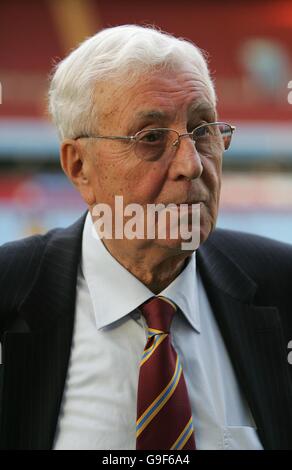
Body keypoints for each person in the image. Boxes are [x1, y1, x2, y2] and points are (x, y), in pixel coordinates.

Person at [0, 25, 291, 451]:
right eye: (151, 138)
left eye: (203, 129)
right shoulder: (9, 291)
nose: (191, 166)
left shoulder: (284, 286)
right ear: (79, 166)